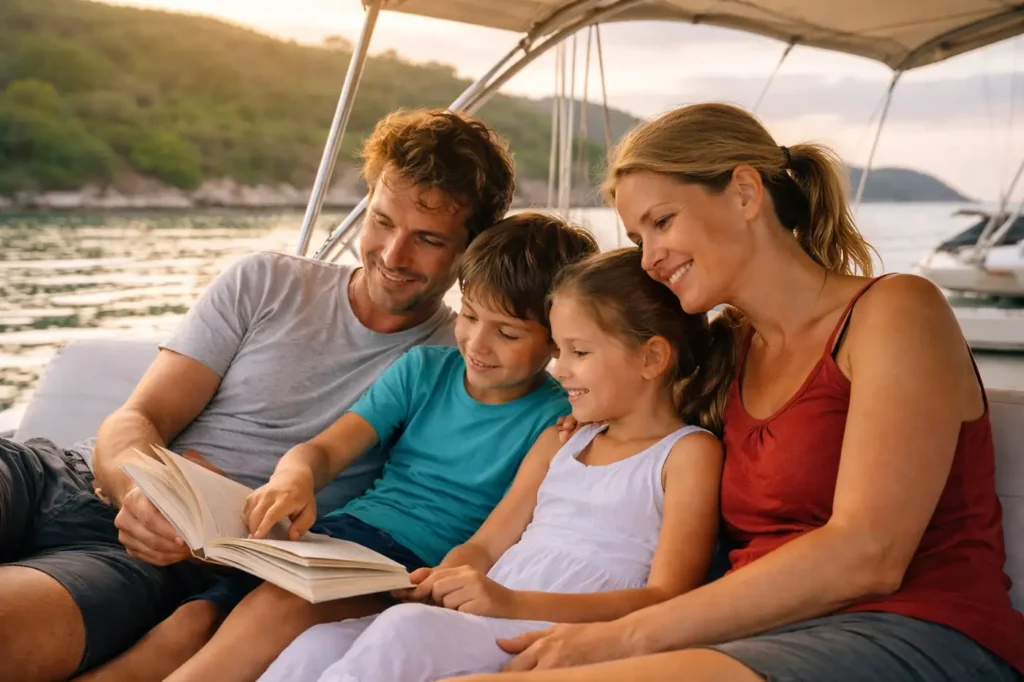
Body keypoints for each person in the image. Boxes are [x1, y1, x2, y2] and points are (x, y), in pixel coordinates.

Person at [450, 102, 1024, 682]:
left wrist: (618, 638)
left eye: (663, 222)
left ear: (745, 194)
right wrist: (590, 423)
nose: (649, 259)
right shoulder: (731, 355)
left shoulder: (895, 312)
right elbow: (634, 412)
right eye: (636, 237)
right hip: (751, 635)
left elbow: (867, 554)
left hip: (914, 632)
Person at [0, 107, 516, 682]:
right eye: (381, 222)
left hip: (163, 559)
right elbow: (140, 416)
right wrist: (137, 490)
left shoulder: (467, 368)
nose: (393, 255)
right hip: (52, 471)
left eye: (427, 239)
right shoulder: (265, 281)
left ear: (473, 250)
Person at [254, 246, 730, 682]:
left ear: (652, 358)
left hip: (556, 622)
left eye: (579, 353)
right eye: (560, 351)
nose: (559, 369)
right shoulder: (559, 442)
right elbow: (484, 546)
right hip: (496, 606)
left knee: (407, 632)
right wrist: (444, 578)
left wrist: (508, 602)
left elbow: (668, 598)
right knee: (319, 642)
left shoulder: (686, 453)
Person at [159, 211, 599, 682]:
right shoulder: (423, 371)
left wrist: (446, 581)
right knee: (189, 623)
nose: (478, 344)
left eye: (507, 333)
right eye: (469, 315)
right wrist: (294, 479)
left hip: (402, 571)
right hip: (334, 541)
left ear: (558, 340)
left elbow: (489, 541)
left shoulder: (555, 422)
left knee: (274, 612)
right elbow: (323, 451)